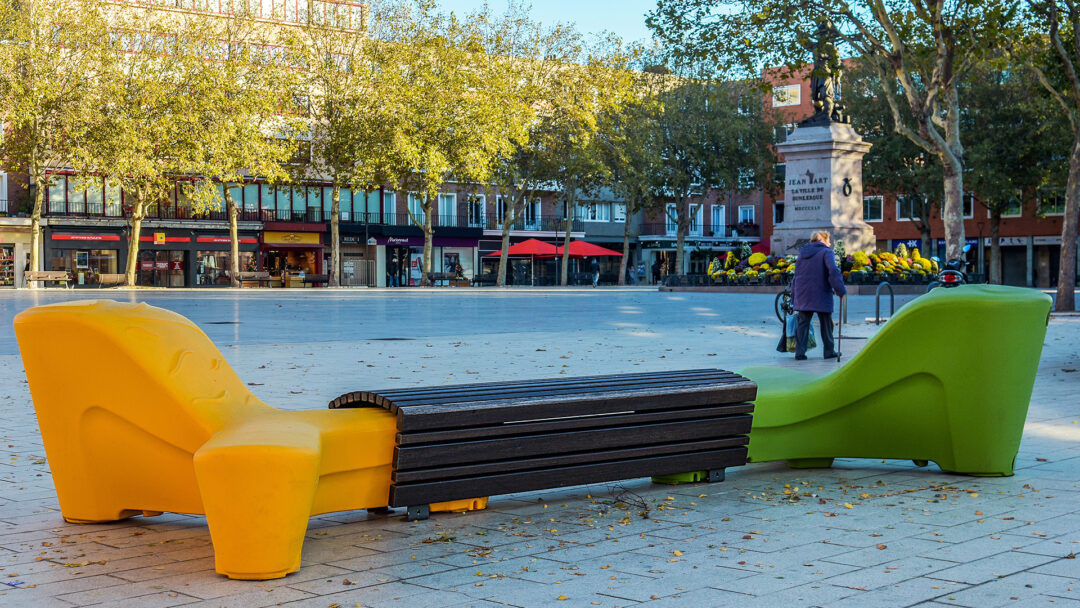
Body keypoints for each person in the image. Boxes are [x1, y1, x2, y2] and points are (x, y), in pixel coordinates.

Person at [791, 230, 846, 360]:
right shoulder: (826, 252)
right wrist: (840, 290)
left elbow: (796, 275)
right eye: (829, 240)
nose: (830, 242)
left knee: (803, 323)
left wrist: (794, 294)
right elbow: (833, 270)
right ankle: (829, 351)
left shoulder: (802, 253)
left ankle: (800, 353)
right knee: (826, 323)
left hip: (803, 292)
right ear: (824, 240)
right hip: (821, 292)